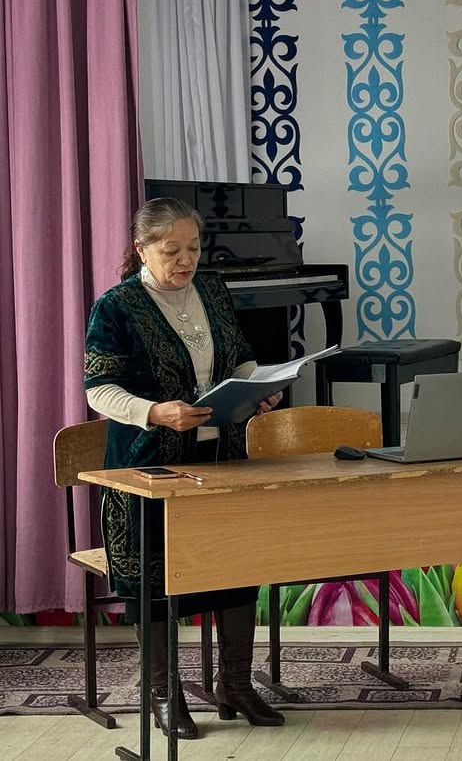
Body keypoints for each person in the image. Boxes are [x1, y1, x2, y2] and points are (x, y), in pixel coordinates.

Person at [83, 197, 284, 739]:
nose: (186, 260)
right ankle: (162, 694)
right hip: (148, 466)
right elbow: (98, 390)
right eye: (172, 250)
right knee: (156, 579)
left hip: (221, 458)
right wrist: (155, 412)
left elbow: (238, 358)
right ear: (142, 248)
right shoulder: (117, 307)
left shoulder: (213, 290)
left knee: (236, 567)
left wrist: (258, 388)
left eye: (193, 248)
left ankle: (235, 685)